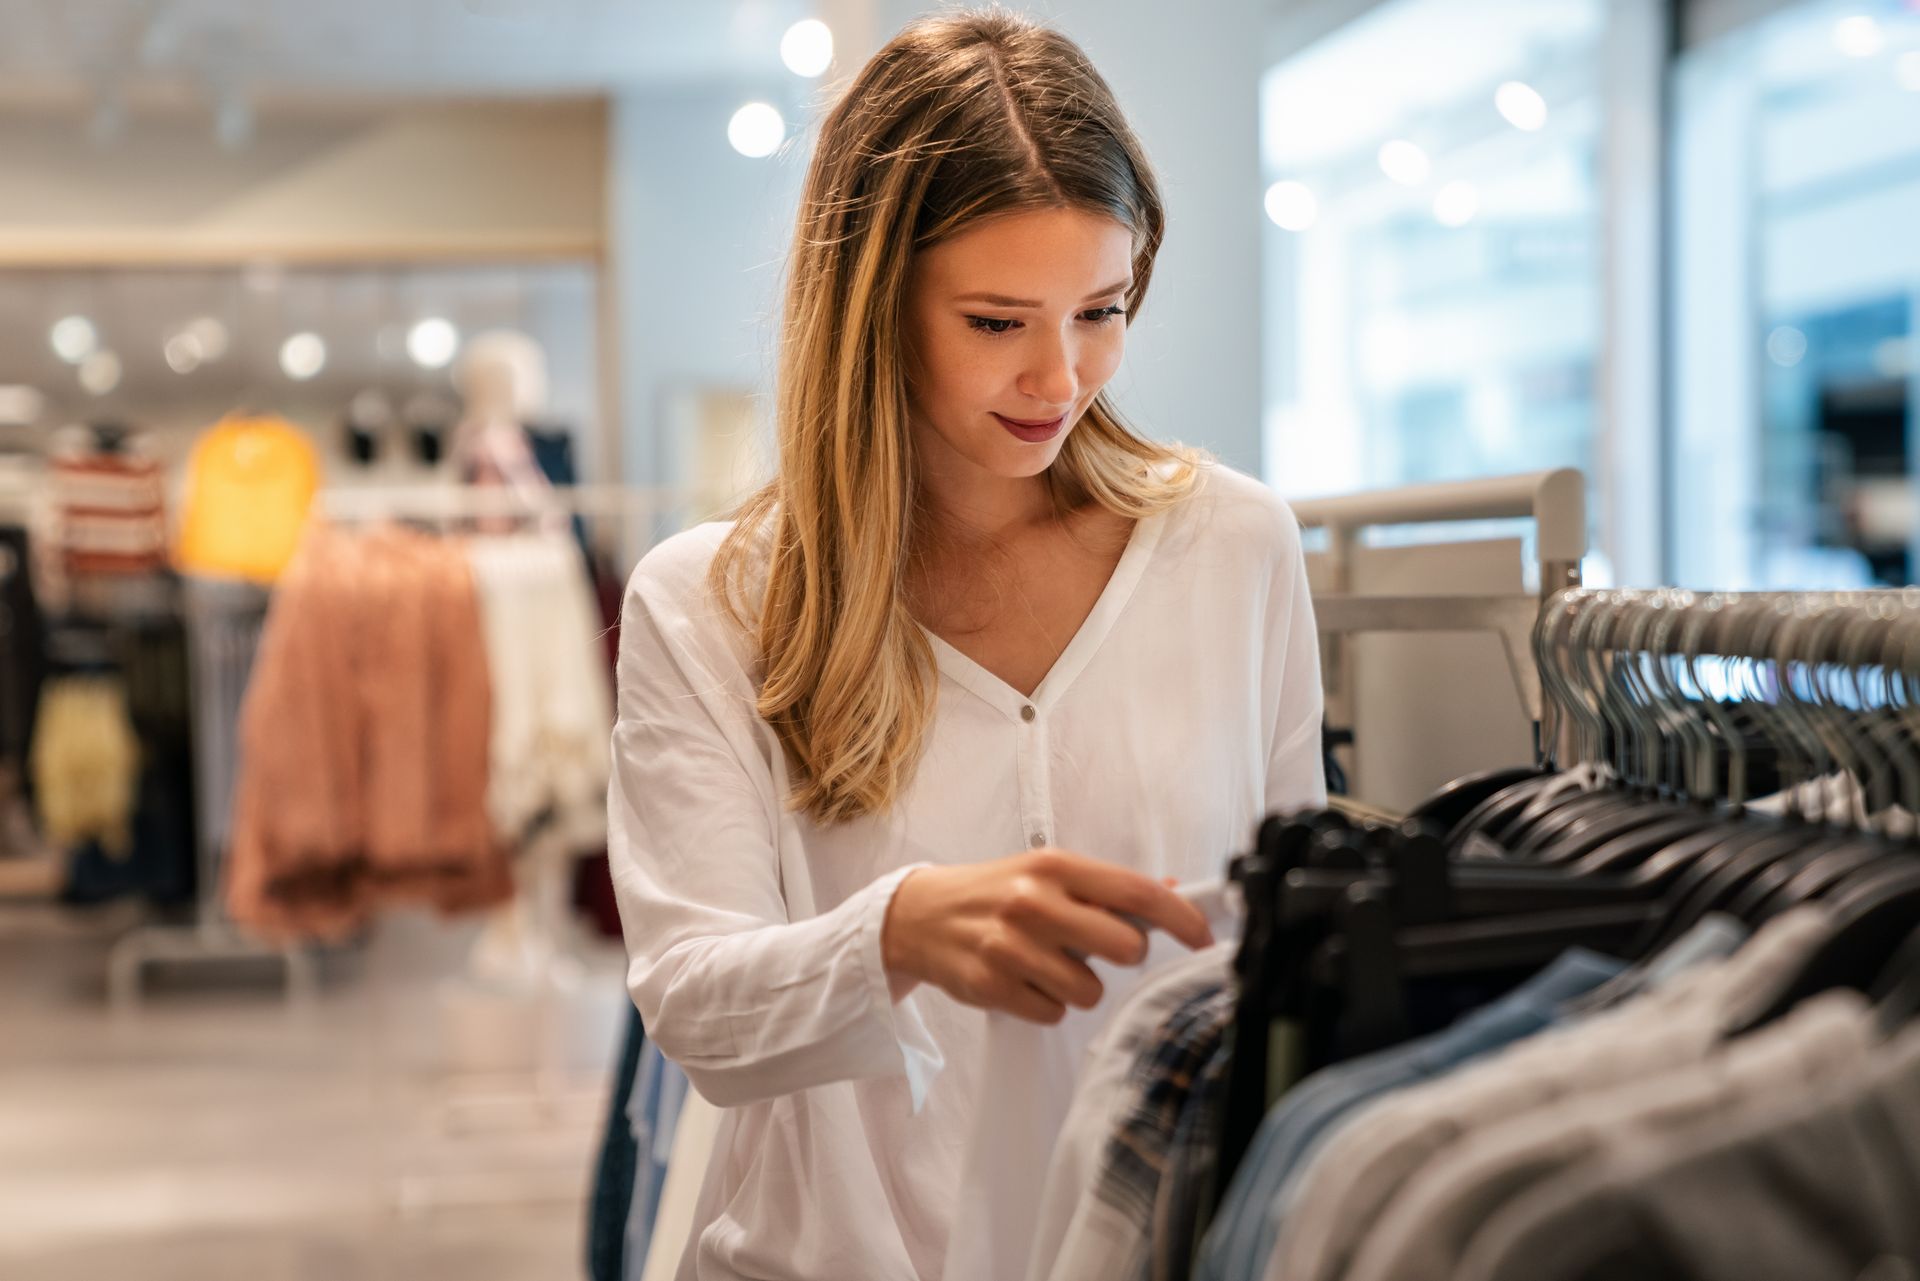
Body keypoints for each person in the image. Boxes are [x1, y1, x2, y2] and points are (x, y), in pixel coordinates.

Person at [607, 10, 1326, 1278]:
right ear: (873, 306)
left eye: (1102, 310)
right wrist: (896, 934)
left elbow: (1286, 947)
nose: (1062, 376)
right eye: (998, 323)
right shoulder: (710, 601)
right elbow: (696, 1008)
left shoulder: (1238, 548)